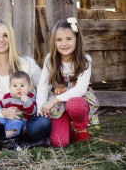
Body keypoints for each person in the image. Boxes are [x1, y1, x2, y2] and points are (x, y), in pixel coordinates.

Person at [0, 19, 51, 148]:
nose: (1, 39)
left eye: (5, 35)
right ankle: (25, 143)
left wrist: (32, 107)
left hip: (27, 121)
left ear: (11, 38)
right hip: (0, 121)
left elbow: (45, 87)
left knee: (42, 123)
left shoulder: (26, 63)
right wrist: (3, 113)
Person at [36, 17, 99, 147]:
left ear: (77, 39)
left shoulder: (85, 60)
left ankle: (80, 127)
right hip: (59, 107)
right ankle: (69, 131)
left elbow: (80, 89)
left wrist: (53, 101)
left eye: (69, 39)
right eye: (59, 40)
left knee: (74, 104)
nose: (64, 44)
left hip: (77, 100)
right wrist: (42, 106)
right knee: (59, 142)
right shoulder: (50, 59)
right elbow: (43, 85)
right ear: (54, 42)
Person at [0, 71, 37, 140]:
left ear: (29, 87)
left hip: (19, 119)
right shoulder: (7, 97)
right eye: (15, 86)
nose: (18, 88)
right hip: (4, 118)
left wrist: (26, 100)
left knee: (16, 123)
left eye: (22, 85)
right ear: (10, 87)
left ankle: (4, 136)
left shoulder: (30, 97)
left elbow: (32, 112)